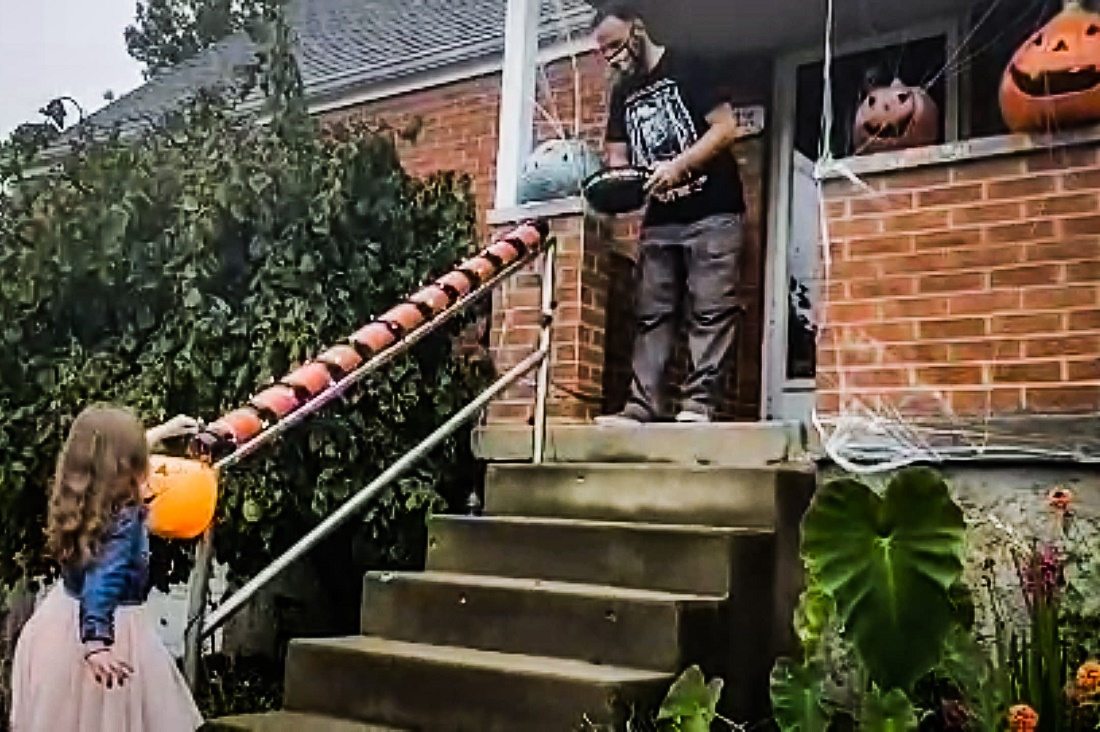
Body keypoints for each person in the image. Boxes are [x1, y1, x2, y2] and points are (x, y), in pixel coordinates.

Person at [592, 2, 750, 425]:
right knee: (652, 313)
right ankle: (641, 407)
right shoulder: (623, 91)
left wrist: (678, 165)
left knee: (711, 308)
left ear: (638, 30)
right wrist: (615, 179)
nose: (612, 58)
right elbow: (618, 155)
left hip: (715, 210)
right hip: (661, 219)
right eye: (604, 53)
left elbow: (725, 128)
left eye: (616, 46)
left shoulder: (688, 65)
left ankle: (699, 404)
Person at [10, 406, 204, 732]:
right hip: (108, 629)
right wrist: (97, 643)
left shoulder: (82, 495)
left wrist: (162, 431)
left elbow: (106, 452)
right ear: (129, 464)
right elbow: (104, 578)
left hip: (61, 620)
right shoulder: (125, 517)